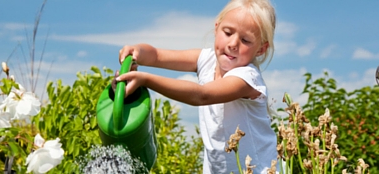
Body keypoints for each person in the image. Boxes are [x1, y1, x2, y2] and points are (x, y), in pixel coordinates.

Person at [116, 0, 278, 173]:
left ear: (261, 49)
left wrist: (145, 79)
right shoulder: (206, 59)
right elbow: (156, 55)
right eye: (228, 32)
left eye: (245, 40)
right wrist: (137, 52)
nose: (233, 44)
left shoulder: (247, 77)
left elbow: (202, 95)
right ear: (217, 28)